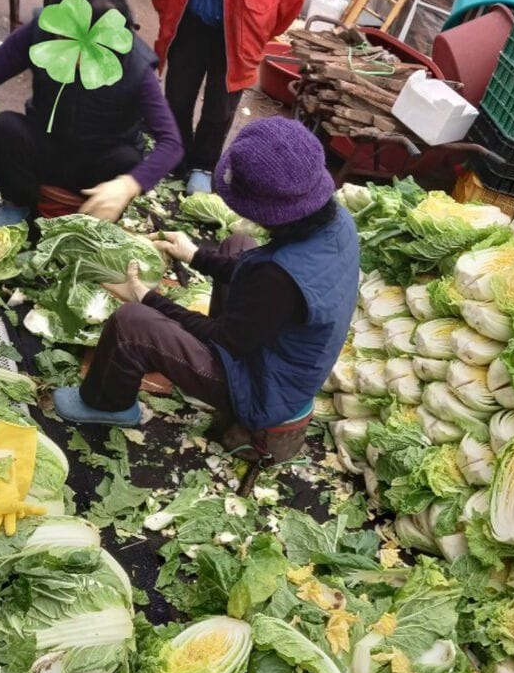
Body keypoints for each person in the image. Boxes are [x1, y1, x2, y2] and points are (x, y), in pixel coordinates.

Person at [52, 116, 359, 446]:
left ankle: (107, 404)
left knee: (132, 326)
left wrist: (146, 297)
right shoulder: (335, 219)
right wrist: (195, 256)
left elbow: (228, 337)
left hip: (263, 391)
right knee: (239, 246)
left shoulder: (279, 279)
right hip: (274, 352)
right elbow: (260, 278)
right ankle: (193, 360)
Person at [0, 0, 183, 226]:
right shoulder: (42, 31)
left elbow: (171, 144)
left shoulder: (136, 67)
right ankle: (17, 206)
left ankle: (87, 219)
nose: (75, 53)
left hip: (98, 161)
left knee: (127, 159)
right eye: (65, 38)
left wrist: (128, 186)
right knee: (4, 128)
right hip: (45, 144)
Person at [139, 0, 321, 195]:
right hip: (190, 10)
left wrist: (265, 23)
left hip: (242, 22)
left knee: (221, 103)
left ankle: (205, 164)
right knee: (178, 92)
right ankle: (176, 154)